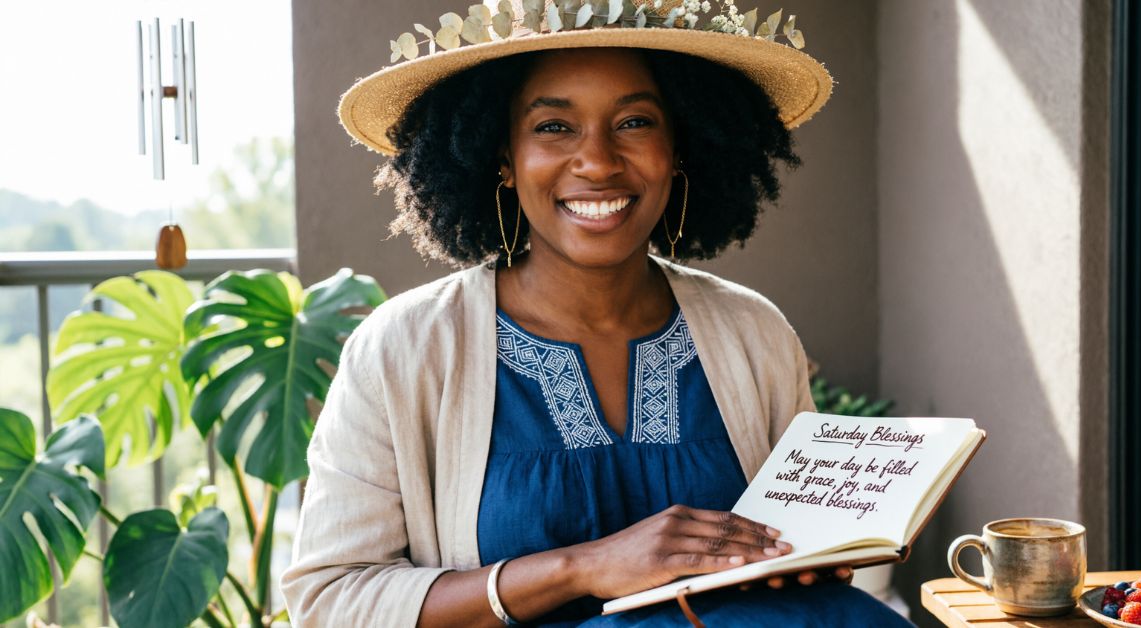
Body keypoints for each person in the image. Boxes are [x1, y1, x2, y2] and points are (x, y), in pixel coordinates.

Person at [281, 2, 912, 627]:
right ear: (501, 156)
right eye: (554, 127)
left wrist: (807, 557)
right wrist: (581, 567)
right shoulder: (404, 349)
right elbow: (333, 600)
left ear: (680, 146)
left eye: (634, 122)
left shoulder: (755, 334)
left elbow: (796, 550)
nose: (599, 161)